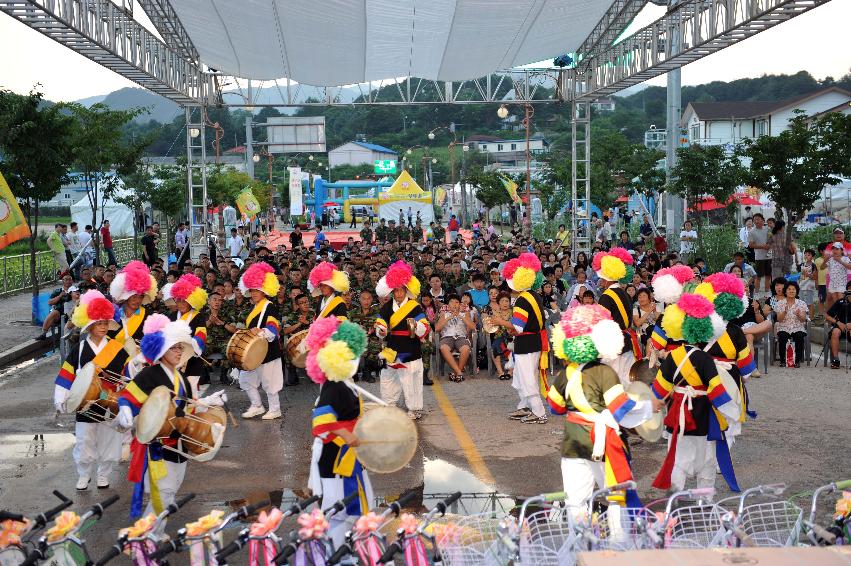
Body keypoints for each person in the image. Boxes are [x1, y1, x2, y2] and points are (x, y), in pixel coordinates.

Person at [547, 304, 659, 514]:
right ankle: (619, 542)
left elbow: (554, 407)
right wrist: (648, 405)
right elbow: (620, 409)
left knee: (575, 501)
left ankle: (579, 543)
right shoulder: (605, 372)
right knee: (616, 497)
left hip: (573, 441)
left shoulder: (566, 373)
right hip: (601, 441)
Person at [117, 315, 227, 520]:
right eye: (174, 348)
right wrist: (125, 410)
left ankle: (153, 534)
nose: (179, 352)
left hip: (180, 445)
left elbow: (189, 409)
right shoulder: (149, 375)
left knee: (170, 493)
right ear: (161, 350)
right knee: (163, 495)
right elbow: (127, 396)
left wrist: (210, 401)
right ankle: (147, 538)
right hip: (158, 445)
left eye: (180, 348)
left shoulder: (182, 378)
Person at [650, 292, 741, 494]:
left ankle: (675, 499)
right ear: (706, 332)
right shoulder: (706, 360)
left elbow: (659, 390)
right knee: (707, 461)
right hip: (702, 416)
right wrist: (733, 414)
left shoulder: (673, 357)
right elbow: (717, 392)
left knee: (678, 459)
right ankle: (704, 501)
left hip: (677, 416)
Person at [305, 317, 374, 547]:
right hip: (336, 458)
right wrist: (345, 434)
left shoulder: (345, 381)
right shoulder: (335, 385)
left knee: (350, 508)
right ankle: (335, 553)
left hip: (348, 456)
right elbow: (321, 422)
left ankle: (346, 549)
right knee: (337, 510)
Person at [53, 290, 127, 490]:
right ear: (91, 325)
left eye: (105, 323)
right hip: (85, 404)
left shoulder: (118, 349)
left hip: (109, 402)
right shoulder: (80, 348)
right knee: (84, 441)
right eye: (99, 323)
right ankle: (84, 474)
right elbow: (67, 374)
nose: (103, 327)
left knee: (109, 441)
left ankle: (103, 474)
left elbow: (128, 377)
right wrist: (60, 398)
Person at [374, 261, 430, 420]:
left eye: (401, 291)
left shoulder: (415, 307)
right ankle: (389, 404)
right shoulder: (386, 307)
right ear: (392, 291)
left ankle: (414, 408)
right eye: (396, 291)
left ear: (407, 290)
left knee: (411, 378)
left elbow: (425, 327)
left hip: (410, 346)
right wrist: (381, 330)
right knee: (387, 376)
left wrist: (416, 326)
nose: (398, 294)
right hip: (392, 346)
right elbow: (380, 322)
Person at [500, 253, 549, 424]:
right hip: (533, 342)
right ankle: (525, 406)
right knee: (523, 376)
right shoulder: (534, 295)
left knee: (527, 378)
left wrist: (500, 321)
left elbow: (518, 327)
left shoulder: (521, 300)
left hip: (526, 344)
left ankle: (538, 411)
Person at [237, 262, 284, 419]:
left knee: (270, 382)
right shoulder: (254, 308)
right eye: (251, 290)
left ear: (265, 289)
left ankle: (275, 409)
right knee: (245, 379)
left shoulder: (270, 306)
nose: (254, 293)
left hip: (269, 351)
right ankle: (257, 405)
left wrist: (262, 331)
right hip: (255, 352)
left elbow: (274, 328)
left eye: (257, 289)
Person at [595, 248, 639, 387]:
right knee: (627, 380)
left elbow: (602, 324)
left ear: (606, 279)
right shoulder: (623, 292)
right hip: (626, 340)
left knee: (611, 381)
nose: (600, 280)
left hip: (612, 343)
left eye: (602, 277)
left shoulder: (606, 296)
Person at [108, 261, 159, 377]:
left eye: (140, 296)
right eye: (134, 296)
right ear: (125, 296)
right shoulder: (113, 316)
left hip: (140, 369)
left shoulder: (149, 317)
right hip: (114, 367)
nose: (137, 300)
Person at [168, 274, 209, 394]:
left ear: (191, 300)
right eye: (178, 299)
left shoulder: (199, 317)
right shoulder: (171, 316)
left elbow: (201, 337)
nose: (180, 303)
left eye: (184, 300)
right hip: (173, 362)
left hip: (193, 363)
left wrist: (188, 344)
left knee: (191, 395)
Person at [435, 294, 475, 382]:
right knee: (443, 347)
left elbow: (473, 327)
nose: (454, 304)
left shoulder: (465, 314)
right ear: (448, 305)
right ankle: (459, 373)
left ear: (460, 304)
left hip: (461, 337)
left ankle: (457, 373)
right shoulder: (444, 315)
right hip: (447, 337)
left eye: (456, 302)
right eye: (451, 302)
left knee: (466, 348)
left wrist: (461, 317)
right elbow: (437, 329)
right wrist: (448, 318)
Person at [774, 281, 807, 367]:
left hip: (797, 326)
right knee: (782, 336)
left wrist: (799, 315)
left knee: (799, 336)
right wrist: (784, 312)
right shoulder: (780, 303)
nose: (791, 291)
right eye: (789, 289)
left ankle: (797, 360)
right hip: (784, 326)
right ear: (785, 291)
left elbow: (803, 320)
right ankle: (782, 360)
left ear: (796, 291)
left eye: (793, 289)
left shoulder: (801, 303)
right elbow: (779, 320)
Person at [825, 280, 851, 369]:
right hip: (840, 327)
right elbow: (827, 316)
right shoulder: (841, 302)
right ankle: (836, 360)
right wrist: (838, 322)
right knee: (835, 332)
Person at [821, 242, 851, 312]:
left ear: (841, 250)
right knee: (836, 303)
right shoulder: (831, 259)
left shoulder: (845, 259)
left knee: (842, 302)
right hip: (833, 284)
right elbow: (822, 267)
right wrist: (825, 260)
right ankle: (839, 319)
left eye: (837, 249)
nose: (835, 251)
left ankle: (844, 319)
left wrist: (840, 261)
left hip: (841, 284)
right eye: (833, 249)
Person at [748, 213, 771, 297]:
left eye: (758, 219)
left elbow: (771, 240)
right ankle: (756, 293)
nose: (756, 221)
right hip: (759, 257)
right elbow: (751, 245)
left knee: (768, 275)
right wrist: (762, 246)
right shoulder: (751, 231)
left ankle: (767, 292)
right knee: (759, 276)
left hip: (769, 256)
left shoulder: (768, 229)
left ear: (762, 220)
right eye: (755, 220)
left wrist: (769, 245)